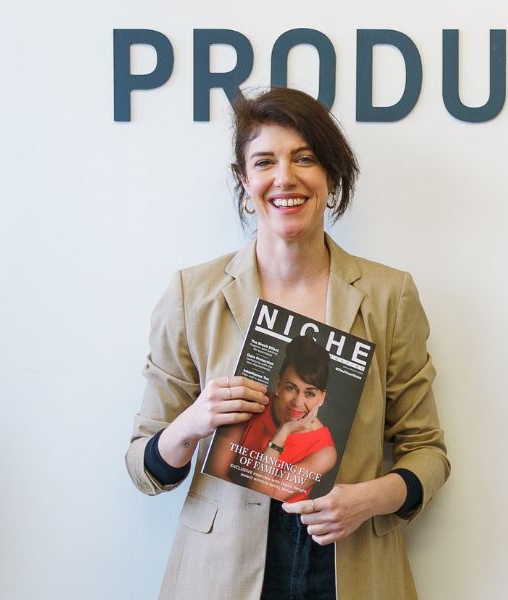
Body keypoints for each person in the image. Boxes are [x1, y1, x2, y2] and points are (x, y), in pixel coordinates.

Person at [124, 87, 449, 600]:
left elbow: (427, 452)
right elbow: (143, 466)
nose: (285, 178)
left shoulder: (390, 295)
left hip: (350, 565)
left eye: (305, 158)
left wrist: (370, 498)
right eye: (264, 162)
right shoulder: (193, 293)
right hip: (223, 571)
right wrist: (194, 421)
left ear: (331, 176)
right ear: (244, 180)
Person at [206, 336, 339, 502]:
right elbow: (214, 471)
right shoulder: (251, 403)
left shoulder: (324, 452)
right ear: (278, 384)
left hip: (275, 525)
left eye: (309, 393)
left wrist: (283, 433)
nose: (297, 402)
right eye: (291, 388)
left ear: (322, 397)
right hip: (221, 507)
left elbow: (260, 499)